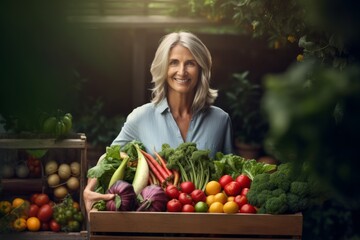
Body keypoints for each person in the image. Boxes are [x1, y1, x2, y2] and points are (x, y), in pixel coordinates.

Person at [83, 31, 234, 217]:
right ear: (163, 68)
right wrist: (90, 188)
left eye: (190, 63)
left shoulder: (220, 120)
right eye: (174, 62)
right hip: (153, 225)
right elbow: (109, 159)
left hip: (206, 226)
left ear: (201, 68)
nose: (182, 71)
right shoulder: (140, 118)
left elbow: (231, 178)